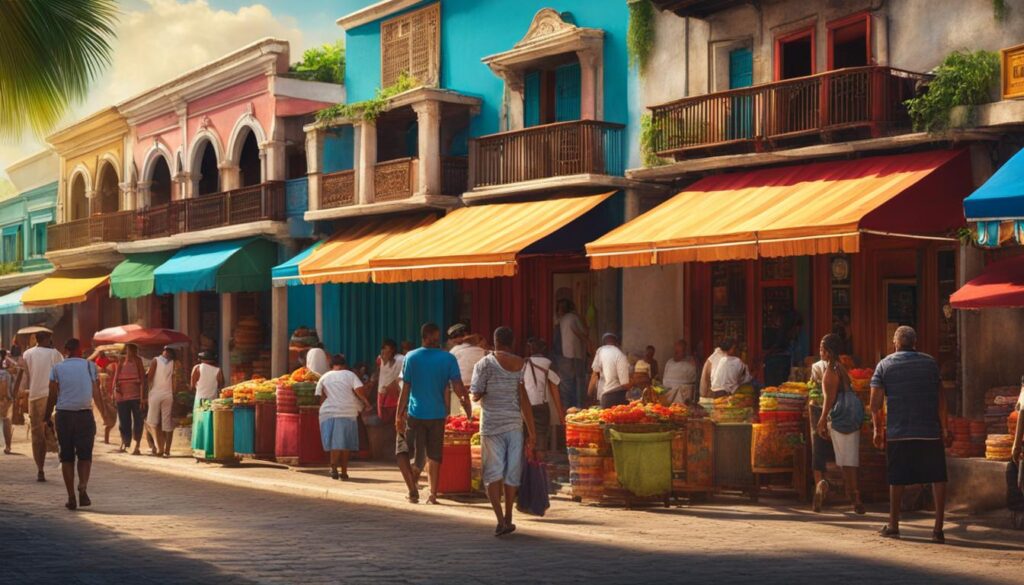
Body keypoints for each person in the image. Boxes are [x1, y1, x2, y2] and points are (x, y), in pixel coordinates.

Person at [870, 326, 952, 544]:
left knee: (897, 478)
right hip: (929, 431)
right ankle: (938, 529)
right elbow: (941, 399)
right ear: (915, 343)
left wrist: (878, 430)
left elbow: (875, 404)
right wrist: (944, 428)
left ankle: (894, 525)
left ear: (895, 343)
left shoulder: (884, 365)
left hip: (899, 432)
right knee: (937, 476)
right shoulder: (930, 363)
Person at [395, 322, 472, 505]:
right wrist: (466, 404)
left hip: (416, 414)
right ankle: (432, 494)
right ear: (429, 336)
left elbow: (405, 389)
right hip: (437, 414)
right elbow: (459, 386)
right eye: (436, 337)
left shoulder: (411, 357)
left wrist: (399, 415)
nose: (438, 340)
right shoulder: (447, 359)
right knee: (434, 455)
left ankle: (414, 490)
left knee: (406, 452)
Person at [470, 326, 536, 536]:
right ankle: (509, 516)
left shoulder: (483, 364)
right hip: (515, 425)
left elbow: (475, 395)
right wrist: (531, 431)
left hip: (491, 426)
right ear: (512, 342)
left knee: (492, 472)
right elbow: (523, 398)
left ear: (495, 341)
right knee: (511, 472)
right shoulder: (520, 363)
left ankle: (500, 520)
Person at [46, 338, 99, 511]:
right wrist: (105, 413)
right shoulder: (89, 366)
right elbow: (96, 392)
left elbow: (52, 395)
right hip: (84, 414)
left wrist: (46, 416)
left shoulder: (57, 368)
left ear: (65, 350)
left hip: (64, 415)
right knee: (85, 456)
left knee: (67, 457)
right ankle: (82, 485)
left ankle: (71, 497)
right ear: (80, 350)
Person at [815, 333, 865, 515]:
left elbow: (829, 400)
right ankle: (854, 496)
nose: (819, 352)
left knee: (844, 461)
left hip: (841, 417)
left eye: (822, 348)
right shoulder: (841, 367)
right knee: (850, 459)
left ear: (828, 352)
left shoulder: (830, 371)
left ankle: (848, 494)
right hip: (852, 415)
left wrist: (821, 420)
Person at [316, 353, 370, 480]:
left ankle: (333, 468)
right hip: (348, 412)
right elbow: (359, 391)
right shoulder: (350, 375)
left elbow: (320, 396)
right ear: (344, 365)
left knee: (335, 443)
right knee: (345, 443)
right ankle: (344, 471)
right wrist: (366, 403)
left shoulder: (324, 377)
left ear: (331, 366)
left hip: (328, 413)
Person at [23, 331, 64, 481]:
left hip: (34, 396)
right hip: (51, 395)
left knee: (37, 435)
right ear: (47, 339)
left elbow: (27, 376)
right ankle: (61, 452)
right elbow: (61, 376)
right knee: (55, 427)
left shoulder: (27, 354)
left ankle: (40, 469)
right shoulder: (55, 354)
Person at [523, 338, 563, 455]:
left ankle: (528, 467)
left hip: (524, 405)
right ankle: (539, 466)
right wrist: (561, 414)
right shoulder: (548, 363)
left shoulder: (521, 363)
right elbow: (554, 389)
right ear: (544, 350)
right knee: (541, 438)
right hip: (540, 404)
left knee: (527, 438)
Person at [808, 358, 835, 512]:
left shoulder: (817, 367)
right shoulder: (841, 368)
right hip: (837, 414)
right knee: (839, 452)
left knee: (818, 450)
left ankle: (820, 484)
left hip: (818, 411)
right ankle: (851, 494)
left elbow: (812, 385)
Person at [113, 343, 146, 455]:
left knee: (138, 421)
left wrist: (142, 398)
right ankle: (125, 443)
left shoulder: (138, 361)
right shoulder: (121, 361)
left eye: (132, 350)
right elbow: (116, 378)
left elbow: (142, 380)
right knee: (124, 421)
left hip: (136, 397)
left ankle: (137, 445)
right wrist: (114, 394)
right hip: (122, 397)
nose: (129, 353)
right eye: (128, 350)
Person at [555, 299, 589, 409]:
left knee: (566, 383)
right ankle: (579, 405)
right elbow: (584, 333)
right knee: (579, 380)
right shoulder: (573, 318)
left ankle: (567, 407)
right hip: (576, 354)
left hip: (564, 355)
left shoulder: (561, 320)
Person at [146, 346, 177, 458]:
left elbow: (149, 378)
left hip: (155, 394)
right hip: (168, 394)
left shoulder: (155, 360)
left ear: (164, 351)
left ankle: (158, 448)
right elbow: (174, 380)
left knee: (151, 422)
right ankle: (166, 451)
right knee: (167, 424)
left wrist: (146, 392)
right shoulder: (173, 362)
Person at [448, 323, 487, 415]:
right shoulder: (484, 351)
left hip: (458, 397)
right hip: (479, 397)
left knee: (456, 425)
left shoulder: (452, 353)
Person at [588, 333, 630, 408]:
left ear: (604, 343)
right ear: (616, 343)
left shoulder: (600, 351)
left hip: (604, 396)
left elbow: (594, 375)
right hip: (618, 395)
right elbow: (625, 384)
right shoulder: (620, 355)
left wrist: (589, 394)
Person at [87, 348, 118, 444]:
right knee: (108, 415)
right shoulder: (95, 364)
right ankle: (106, 439)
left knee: (111, 416)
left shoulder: (112, 362)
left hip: (109, 391)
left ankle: (106, 439)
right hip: (103, 390)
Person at [374, 339, 404, 424]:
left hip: (394, 393)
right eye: (383, 351)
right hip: (381, 393)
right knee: (383, 419)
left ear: (393, 351)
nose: (385, 354)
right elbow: (377, 370)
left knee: (395, 417)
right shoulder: (380, 359)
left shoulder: (400, 360)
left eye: (388, 351)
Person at [662, 339, 698, 405]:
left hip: (681, 399)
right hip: (667, 397)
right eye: (675, 351)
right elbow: (664, 378)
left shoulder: (690, 363)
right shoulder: (669, 362)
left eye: (678, 352)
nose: (675, 354)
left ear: (684, 352)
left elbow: (692, 381)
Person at [0, 350, 13, 455]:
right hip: (4, 399)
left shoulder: (5, 372)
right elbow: (4, 387)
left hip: (4, 399)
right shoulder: (4, 373)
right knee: (6, 422)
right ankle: (8, 446)